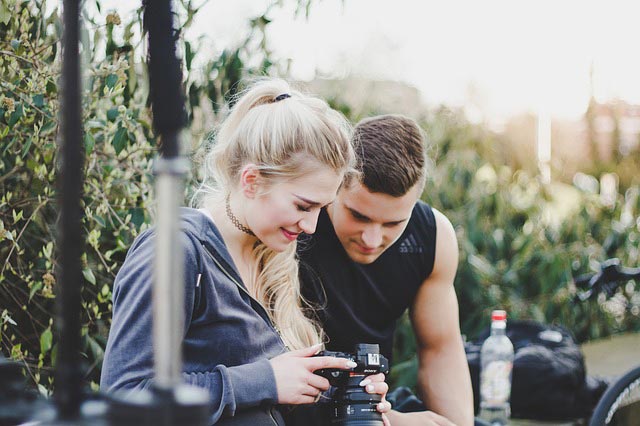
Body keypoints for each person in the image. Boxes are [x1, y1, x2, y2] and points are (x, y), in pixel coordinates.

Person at [100, 79, 390, 425]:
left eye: (321, 209)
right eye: (303, 206)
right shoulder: (177, 252)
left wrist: (347, 396)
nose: (311, 226)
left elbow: (264, 403)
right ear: (251, 181)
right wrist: (266, 380)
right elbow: (125, 395)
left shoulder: (271, 256)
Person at [297, 114, 475, 426]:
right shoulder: (294, 224)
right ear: (336, 185)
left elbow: (440, 349)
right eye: (359, 216)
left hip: (374, 404)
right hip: (297, 403)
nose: (372, 239)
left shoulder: (432, 237)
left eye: (393, 223)